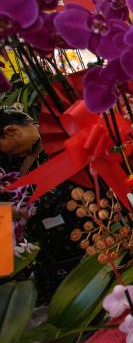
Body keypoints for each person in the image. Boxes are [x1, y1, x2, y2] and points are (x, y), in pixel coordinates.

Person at [0, 107, 85, 303]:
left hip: (79, 240)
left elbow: (73, 186)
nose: (7, 153)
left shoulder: (60, 140)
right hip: (44, 254)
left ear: (11, 131)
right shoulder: (13, 159)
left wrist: (26, 210)